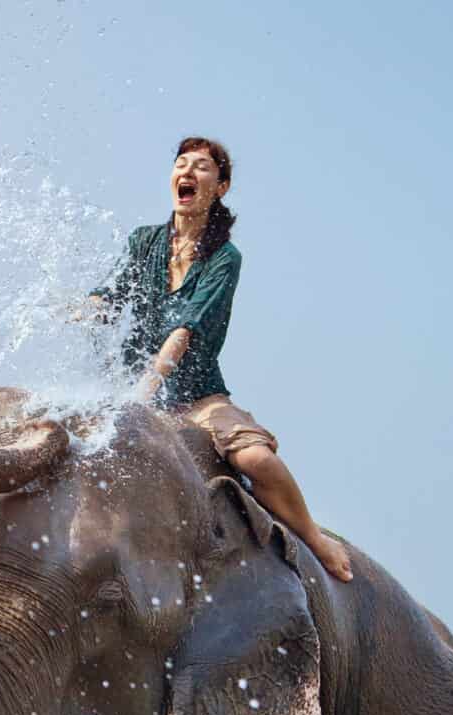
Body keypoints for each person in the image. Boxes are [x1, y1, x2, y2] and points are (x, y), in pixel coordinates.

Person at [84, 137, 353, 581]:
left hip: (196, 398)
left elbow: (184, 332)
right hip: (135, 392)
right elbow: (111, 294)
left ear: (221, 186)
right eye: (181, 163)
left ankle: (314, 537)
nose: (188, 172)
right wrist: (80, 307)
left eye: (203, 167)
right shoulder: (144, 242)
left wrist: (144, 391)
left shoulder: (225, 258)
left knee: (255, 460)